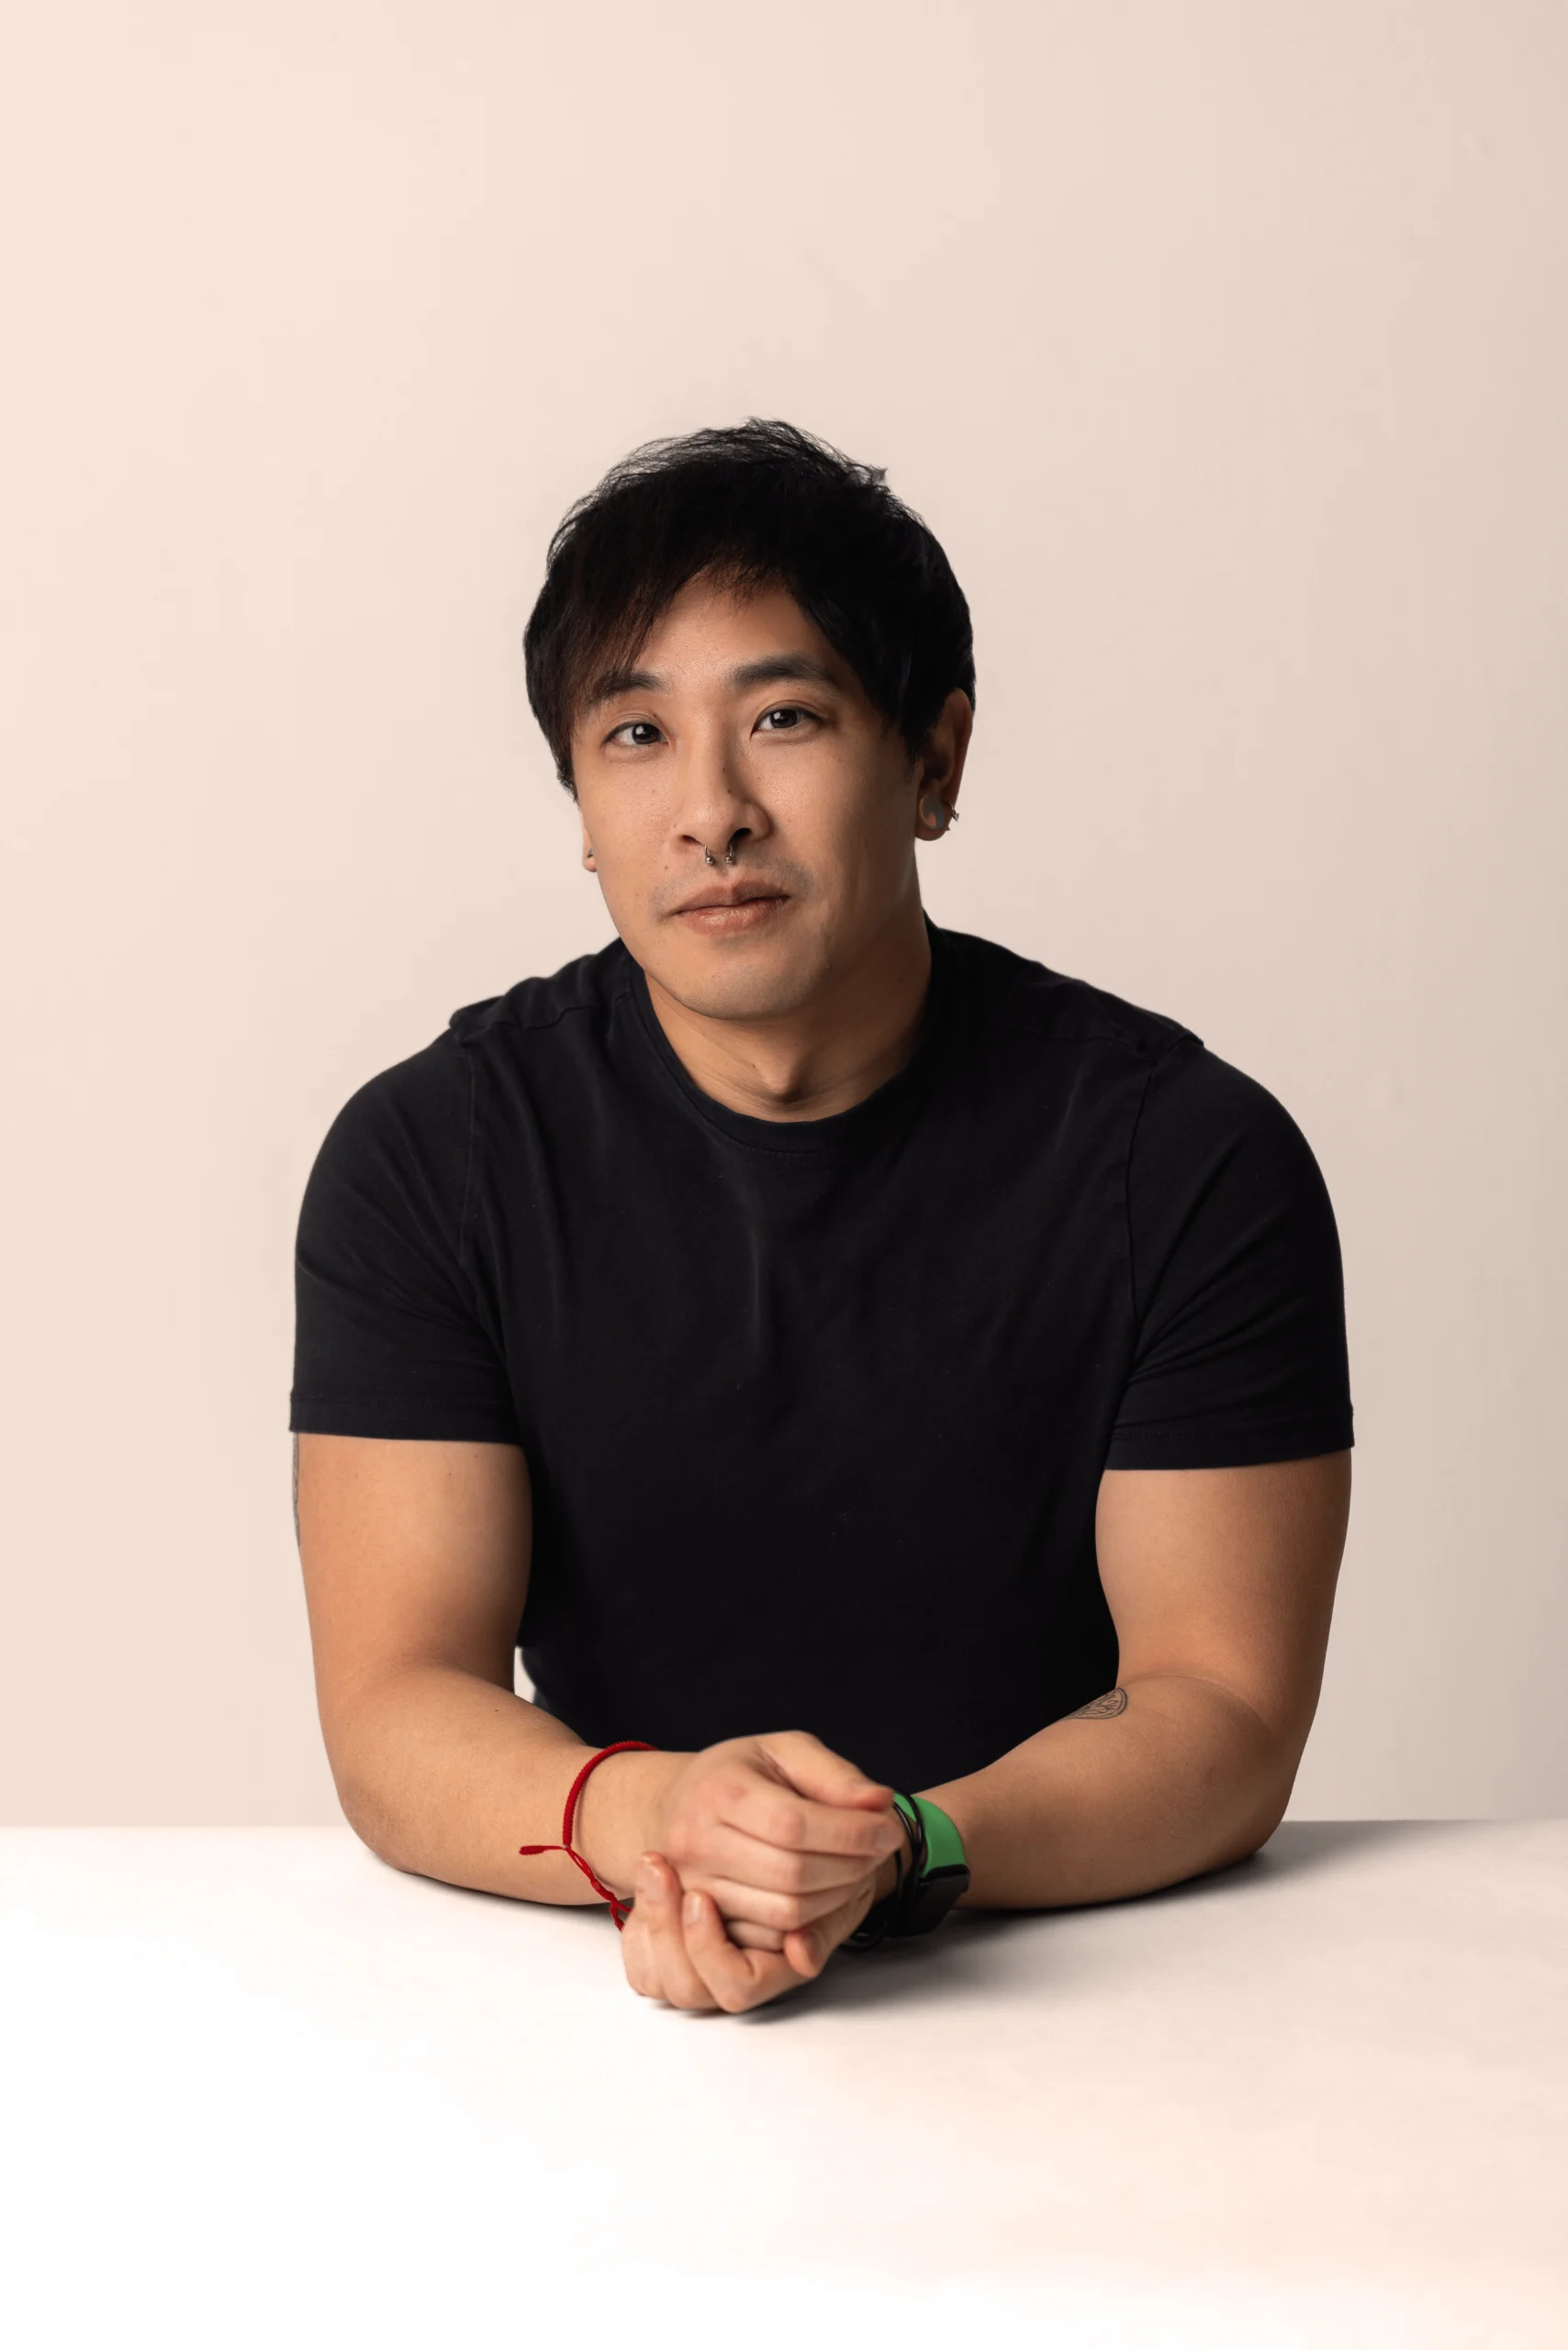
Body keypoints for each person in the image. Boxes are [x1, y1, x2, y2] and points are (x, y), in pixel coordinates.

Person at [290, 420, 1353, 2016]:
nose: (711, 811)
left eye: (783, 718)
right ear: (579, 803)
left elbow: (1225, 1713)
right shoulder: (434, 1158)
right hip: (586, 2004)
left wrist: (903, 1851)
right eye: (635, 735)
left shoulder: (1189, 1161)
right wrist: (667, 1824)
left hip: (1090, 1990)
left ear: (934, 760)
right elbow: (397, 1704)